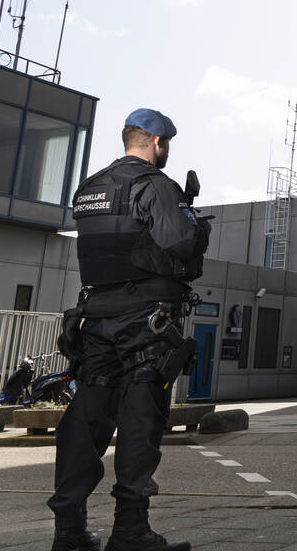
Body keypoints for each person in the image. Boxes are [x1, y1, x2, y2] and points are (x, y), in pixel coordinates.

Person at [48, 109, 210, 551]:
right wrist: (195, 223)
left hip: (96, 316)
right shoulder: (156, 185)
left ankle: (69, 531)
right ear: (157, 142)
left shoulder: (90, 188)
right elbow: (180, 242)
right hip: (145, 319)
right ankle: (131, 531)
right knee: (141, 417)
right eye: (166, 144)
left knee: (86, 418)